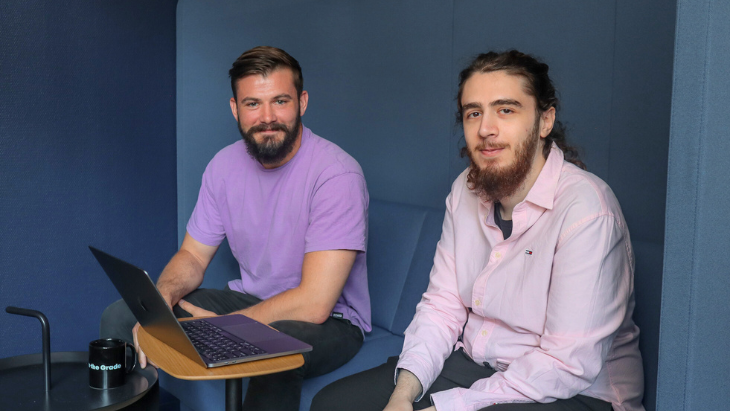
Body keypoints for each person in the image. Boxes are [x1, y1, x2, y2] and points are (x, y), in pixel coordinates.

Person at [311, 50, 644, 411]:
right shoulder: (464, 191)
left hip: (573, 392)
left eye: (506, 110)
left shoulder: (587, 210)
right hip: (476, 367)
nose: (486, 129)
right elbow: (442, 306)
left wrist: (441, 408)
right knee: (333, 405)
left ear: (545, 120)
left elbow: (566, 364)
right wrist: (403, 395)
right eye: (474, 113)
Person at [100, 46, 371, 411]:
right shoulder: (223, 166)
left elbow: (315, 303)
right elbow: (193, 255)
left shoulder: (337, 175)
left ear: (302, 102)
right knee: (123, 315)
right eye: (253, 104)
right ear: (235, 109)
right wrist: (161, 300)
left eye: (280, 101)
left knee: (273, 349)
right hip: (253, 300)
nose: (268, 117)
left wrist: (227, 326)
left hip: (330, 323)